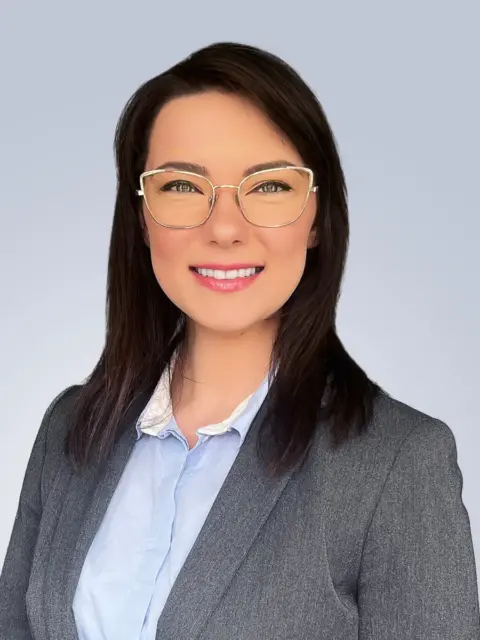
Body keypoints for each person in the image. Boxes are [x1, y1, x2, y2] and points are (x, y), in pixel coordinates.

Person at [0, 41, 478, 640]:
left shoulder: (397, 464)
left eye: (269, 187)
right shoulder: (71, 429)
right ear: (141, 217)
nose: (224, 227)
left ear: (315, 218)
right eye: (182, 187)